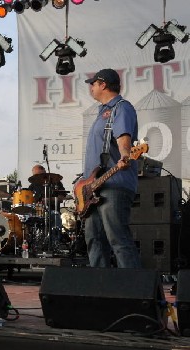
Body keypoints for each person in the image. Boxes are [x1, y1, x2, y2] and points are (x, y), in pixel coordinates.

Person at [83, 68, 141, 269]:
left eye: (93, 83)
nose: (91, 87)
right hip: (94, 188)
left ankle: (134, 291)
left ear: (103, 84)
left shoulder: (121, 108)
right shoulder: (102, 112)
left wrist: (125, 154)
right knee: (94, 241)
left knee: (118, 240)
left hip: (114, 185)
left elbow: (123, 137)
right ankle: (101, 288)